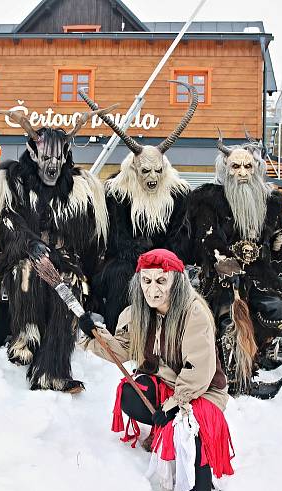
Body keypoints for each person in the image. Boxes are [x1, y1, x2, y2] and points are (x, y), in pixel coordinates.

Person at [79, 249, 233, 491]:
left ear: (176, 281)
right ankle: (165, 433)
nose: (152, 289)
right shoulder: (136, 312)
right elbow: (122, 349)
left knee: (189, 424)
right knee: (131, 393)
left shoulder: (193, 313)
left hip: (200, 389)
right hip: (166, 384)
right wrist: (94, 333)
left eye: (161, 281)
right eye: (146, 281)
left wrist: (176, 403)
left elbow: (199, 369)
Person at [0, 103, 112, 392]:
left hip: (64, 262)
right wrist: (29, 243)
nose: (52, 165)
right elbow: (3, 222)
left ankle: (53, 371)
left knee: (71, 287)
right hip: (21, 257)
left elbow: (88, 240)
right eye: (45, 156)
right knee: (25, 273)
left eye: (58, 157)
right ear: (33, 152)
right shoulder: (10, 181)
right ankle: (26, 335)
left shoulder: (80, 187)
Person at [181, 132, 282, 397]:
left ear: (256, 169)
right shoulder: (210, 200)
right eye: (236, 166)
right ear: (225, 169)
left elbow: (276, 237)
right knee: (230, 315)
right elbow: (208, 237)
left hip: (259, 272)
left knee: (277, 309)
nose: (242, 172)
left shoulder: (268, 202)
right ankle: (237, 379)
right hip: (222, 274)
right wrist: (224, 262)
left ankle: (258, 354)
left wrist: (277, 247)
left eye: (248, 166)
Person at [78, 85, 193, 329]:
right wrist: (141, 255)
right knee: (122, 275)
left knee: (170, 279)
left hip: (163, 261)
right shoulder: (116, 194)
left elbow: (178, 237)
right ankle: (120, 330)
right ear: (134, 170)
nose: (152, 178)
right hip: (121, 262)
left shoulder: (178, 196)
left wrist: (162, 259)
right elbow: (113, 239)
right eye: (145, 171)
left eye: (157, 171)